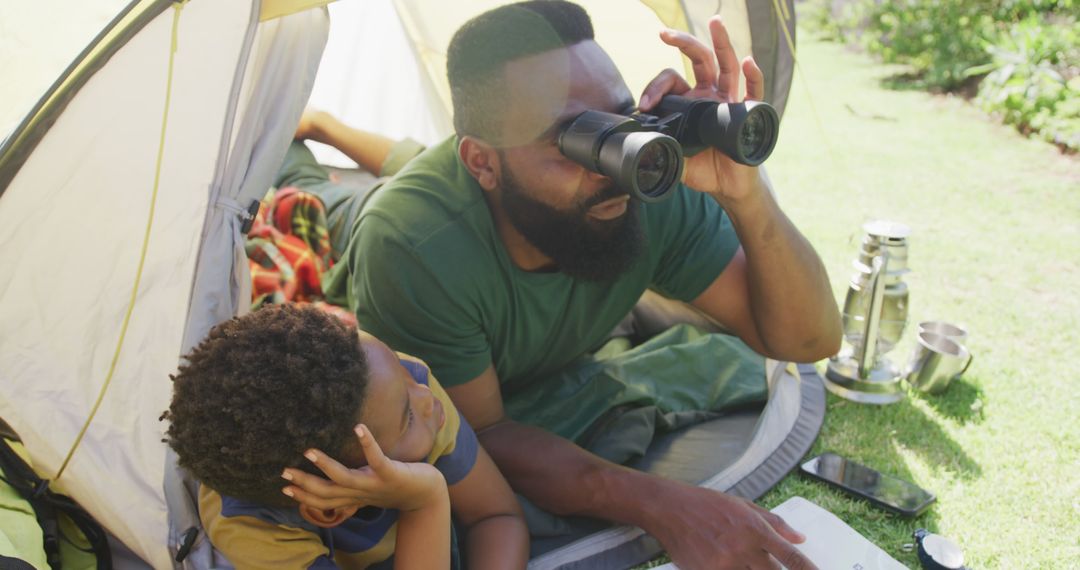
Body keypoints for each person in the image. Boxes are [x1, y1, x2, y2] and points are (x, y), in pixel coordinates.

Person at [297, 2, 842, 568]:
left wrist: (745, 197)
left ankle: (329, 127)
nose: (614, 164)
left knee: (408, 159)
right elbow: (479, 433)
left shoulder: (648, 171)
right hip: (345, 218)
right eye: (573, 138)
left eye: (619, 119)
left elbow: (810, 342)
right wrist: (661, 503)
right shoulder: (412, 245)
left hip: (469, 197)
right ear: (482, 161)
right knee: (323, 184)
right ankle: (315, 126)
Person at [163, 304, 528, 569]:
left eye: (404, 373)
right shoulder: (253, 529)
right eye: (410, 418)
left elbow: (496, 516)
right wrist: (425, 499)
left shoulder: (396, 386)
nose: (427, 396)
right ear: (328, 508)